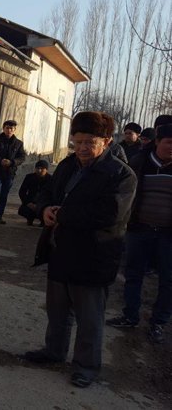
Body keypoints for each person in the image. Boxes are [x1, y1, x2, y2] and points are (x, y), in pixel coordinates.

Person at [24, 111, 137, 388]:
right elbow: (48, 192)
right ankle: (54, 351)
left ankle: (86, 366)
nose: (83, 148)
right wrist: (44, 209)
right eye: (78, 141)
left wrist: (61, 214)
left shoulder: (121, 174)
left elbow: (109, 214)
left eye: (90, 142)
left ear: (106, 142)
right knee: (57, 310)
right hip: (60, 250)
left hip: (94, 255)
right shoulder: (67, 165)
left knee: (89, 317)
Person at [106, 124, 172, 343]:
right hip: (139, 229)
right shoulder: (139, 163)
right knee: (133, 274)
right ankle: (130, 315)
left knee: (168, 280)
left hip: (168, 235)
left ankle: (159, 322)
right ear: (157, 142)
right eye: (169, 142)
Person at [0, 119, 27, 225]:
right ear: (3, 128)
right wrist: (0, 160)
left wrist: (12, 162)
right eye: (7, 128)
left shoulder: (18, 143)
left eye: (11, 128)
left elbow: (22, 157)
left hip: (9, 173)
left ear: (14, 130)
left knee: (4, 196)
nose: (9, 130)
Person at [18, 160, 53, 226]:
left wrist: (42, 205)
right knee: (23, 210)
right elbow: (22, 192)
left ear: (46, 170)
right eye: (37, 168)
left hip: (44, 204)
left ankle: (43, 221)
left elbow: (52, 195)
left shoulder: (51, 179)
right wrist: (28, 203)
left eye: (42, 169)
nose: (39, 170)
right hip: (31, 202)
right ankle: (30, 218)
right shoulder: (29, 177)